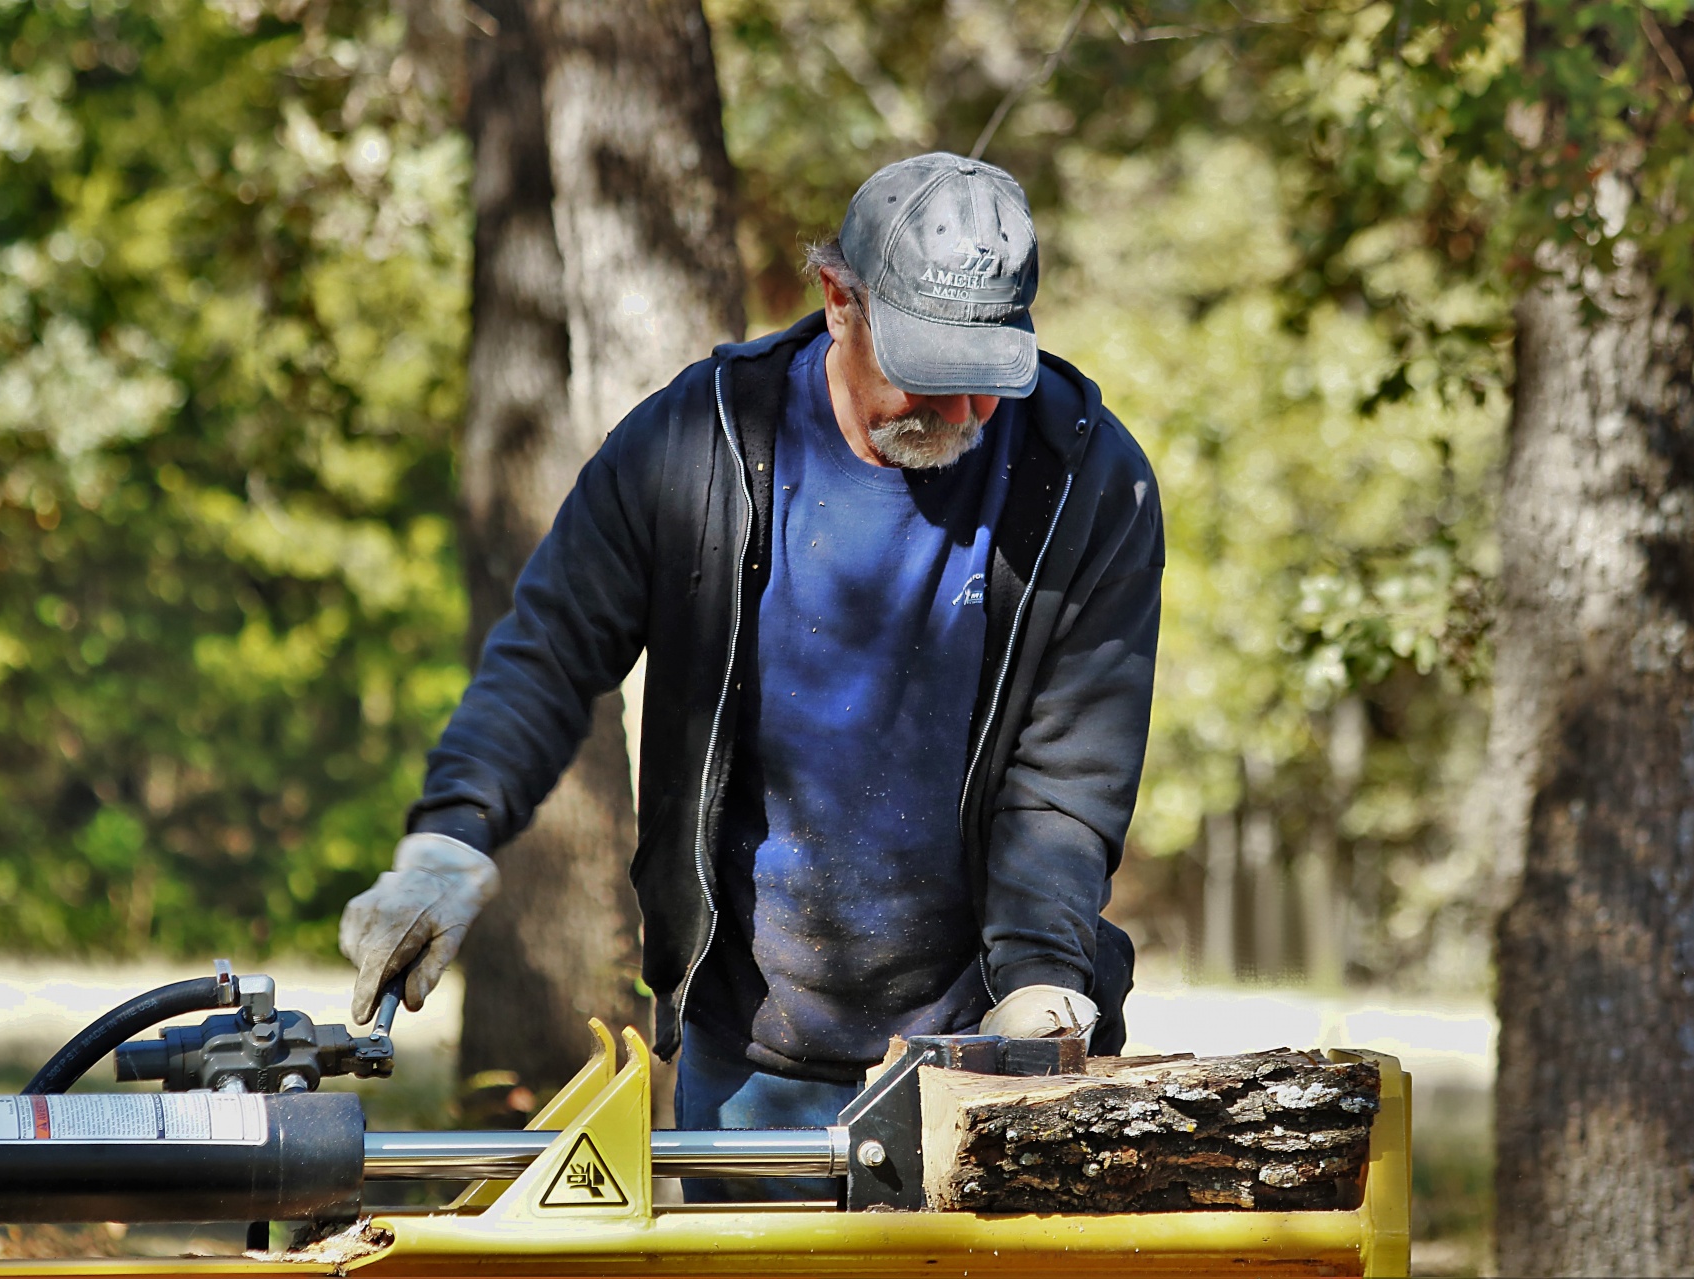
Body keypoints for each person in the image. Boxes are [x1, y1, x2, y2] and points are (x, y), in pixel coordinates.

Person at [339, 152, 1163, 1201]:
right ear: (838, 301)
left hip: (983, 1045)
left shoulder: (1090, 481)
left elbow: (1068, 773)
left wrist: (1041, 982)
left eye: (987, 376)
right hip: (755, 1054)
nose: (963, 409)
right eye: (929, 368)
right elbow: (548, 654)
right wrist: (447, 840)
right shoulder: (699, 446)